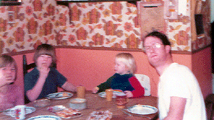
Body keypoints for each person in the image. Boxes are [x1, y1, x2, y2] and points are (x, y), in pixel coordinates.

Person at [143, 31, 206, 120]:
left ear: (167, 49)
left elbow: (175, 118)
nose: (151, 50)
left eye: (156, 45)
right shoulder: (169, 74)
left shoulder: (177, 74)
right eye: (147, 48)